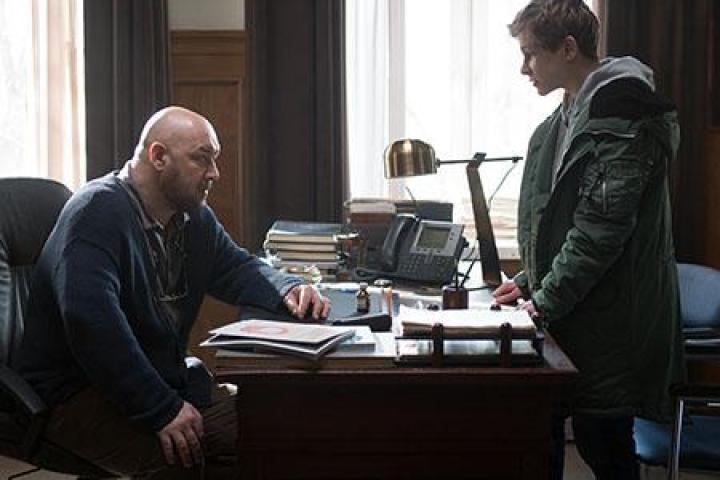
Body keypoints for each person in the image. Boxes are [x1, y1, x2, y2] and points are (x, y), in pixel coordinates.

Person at [14, 106, 331, 479]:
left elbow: (234, 267)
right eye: (202, 159)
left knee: (274, 429)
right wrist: (161, 408)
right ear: (158, 156)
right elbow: (92, 324)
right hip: (74, 397)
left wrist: (287, 287)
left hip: (150, 380)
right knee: (193, 457)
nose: (214, 173)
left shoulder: (190, 215)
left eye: (214, 159)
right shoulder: (96, 212)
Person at [494, 1, 685, 479]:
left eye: (531, 54)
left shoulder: (624, 120)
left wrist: (543, 301)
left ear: (568, 48)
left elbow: (598, 234)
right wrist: (528, 281)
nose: (524, 68)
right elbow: (556, 223)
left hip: (611, 324)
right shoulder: (559, 122)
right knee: (548, 437)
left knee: (605, 448)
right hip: (577, 314)